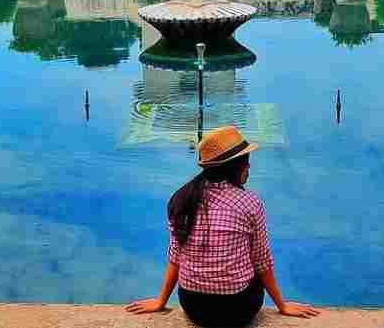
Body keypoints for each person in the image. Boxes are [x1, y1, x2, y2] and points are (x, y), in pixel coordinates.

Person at [126, 125, 320, 326]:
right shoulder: (250, 203)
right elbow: (262, 261)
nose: (249, 167)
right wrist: (282, 305)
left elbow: (176, 257)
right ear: (237, 167)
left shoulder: (181, 200)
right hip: (238, 310)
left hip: (193, 307)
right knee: (253, 265)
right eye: (247, 162)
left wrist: (161, 301)